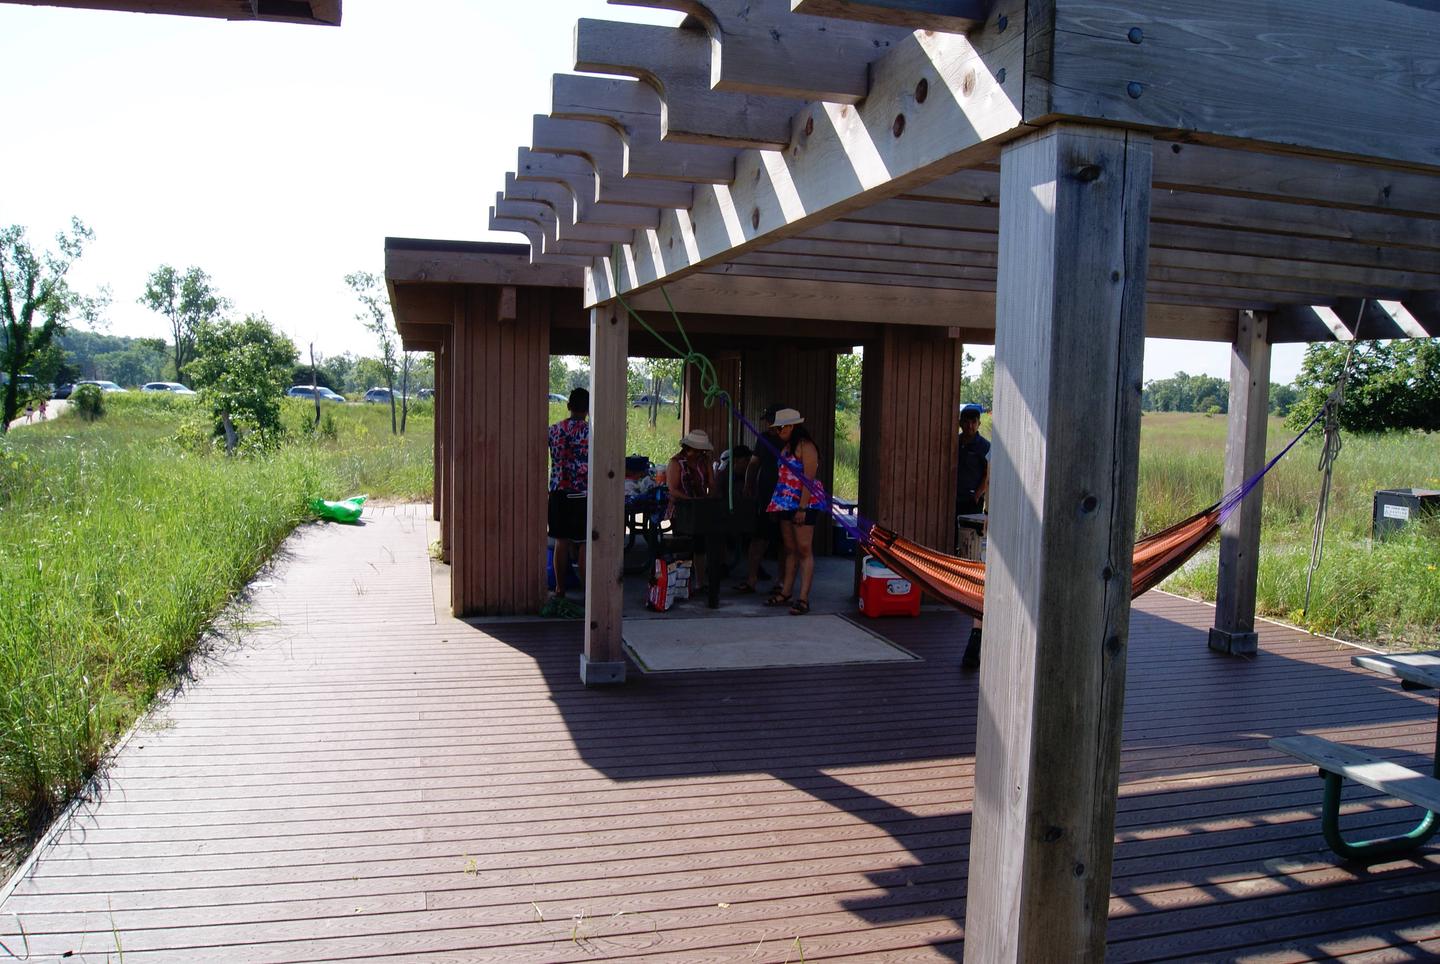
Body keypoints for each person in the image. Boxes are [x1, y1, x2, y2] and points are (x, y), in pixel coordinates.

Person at [765, 407, 822, 615]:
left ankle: (804, 598)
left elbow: (808, 480)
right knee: (790, 549)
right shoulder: (787, 447)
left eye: (780, 428)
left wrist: (802, 508)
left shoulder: (806, 447)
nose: (778, 432)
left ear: (791, 426)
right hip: (785, 503)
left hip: (803, 504)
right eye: (777, 429)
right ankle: (786, 591)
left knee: (804, 550)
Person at [734, 405, 784, 594]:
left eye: (771, 421)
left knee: (783, 542)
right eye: (768, 421)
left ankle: (781, 581)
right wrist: (749, 484)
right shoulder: (764, 439)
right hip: (765, 496)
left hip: (785, 498)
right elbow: (754, 463)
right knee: (758, 539)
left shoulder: (793, 442)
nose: (768, 424)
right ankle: (751, 579)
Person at [956, 403, 991, 669]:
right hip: (952, 499)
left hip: (972, 502)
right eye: (966, 420)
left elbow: (988, 476)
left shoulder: (985, 446)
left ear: (979, 423)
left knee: (971, 539)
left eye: (974, 420)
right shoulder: (955, 442)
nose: (969, 424)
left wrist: (977, 495)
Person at [547, 387, 589, 601]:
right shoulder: (591, 433)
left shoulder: (553, 430)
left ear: (568, 406)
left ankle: (560, 589)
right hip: (582, 494)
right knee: (583, 543)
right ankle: (586, 592)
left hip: (558, 493)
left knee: (561, 542)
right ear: (588, 409)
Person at [666, 428, 716, 593]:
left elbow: (711, 484)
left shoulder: (703, 462)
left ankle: (699, 582)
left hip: (699, 509)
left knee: (700, 546)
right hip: (682, 509)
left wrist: (709, 468)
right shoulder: (675, 462)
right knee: (683, 547)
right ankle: (681, 584)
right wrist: (690, 500)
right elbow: (673, 489)